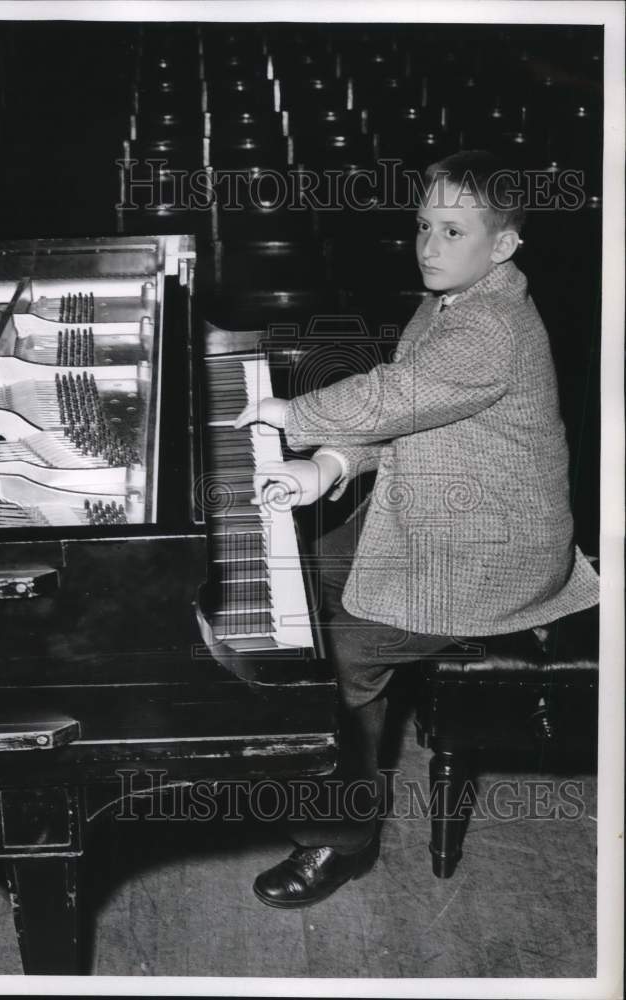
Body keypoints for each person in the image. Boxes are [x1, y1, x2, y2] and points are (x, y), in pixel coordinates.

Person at [233, 150, 600, 909]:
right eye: (424, 226)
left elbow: (393, 395)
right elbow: (408, 414)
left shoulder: (493, 325)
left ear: (502, 245)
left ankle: (341, 835)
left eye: (453, 231)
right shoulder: (451, 301)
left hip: (494, 551)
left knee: (347, 644)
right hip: (433, 511)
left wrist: (294, 417)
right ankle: (298, 750)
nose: (430, 247)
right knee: (301, 577)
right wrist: (328, 465)